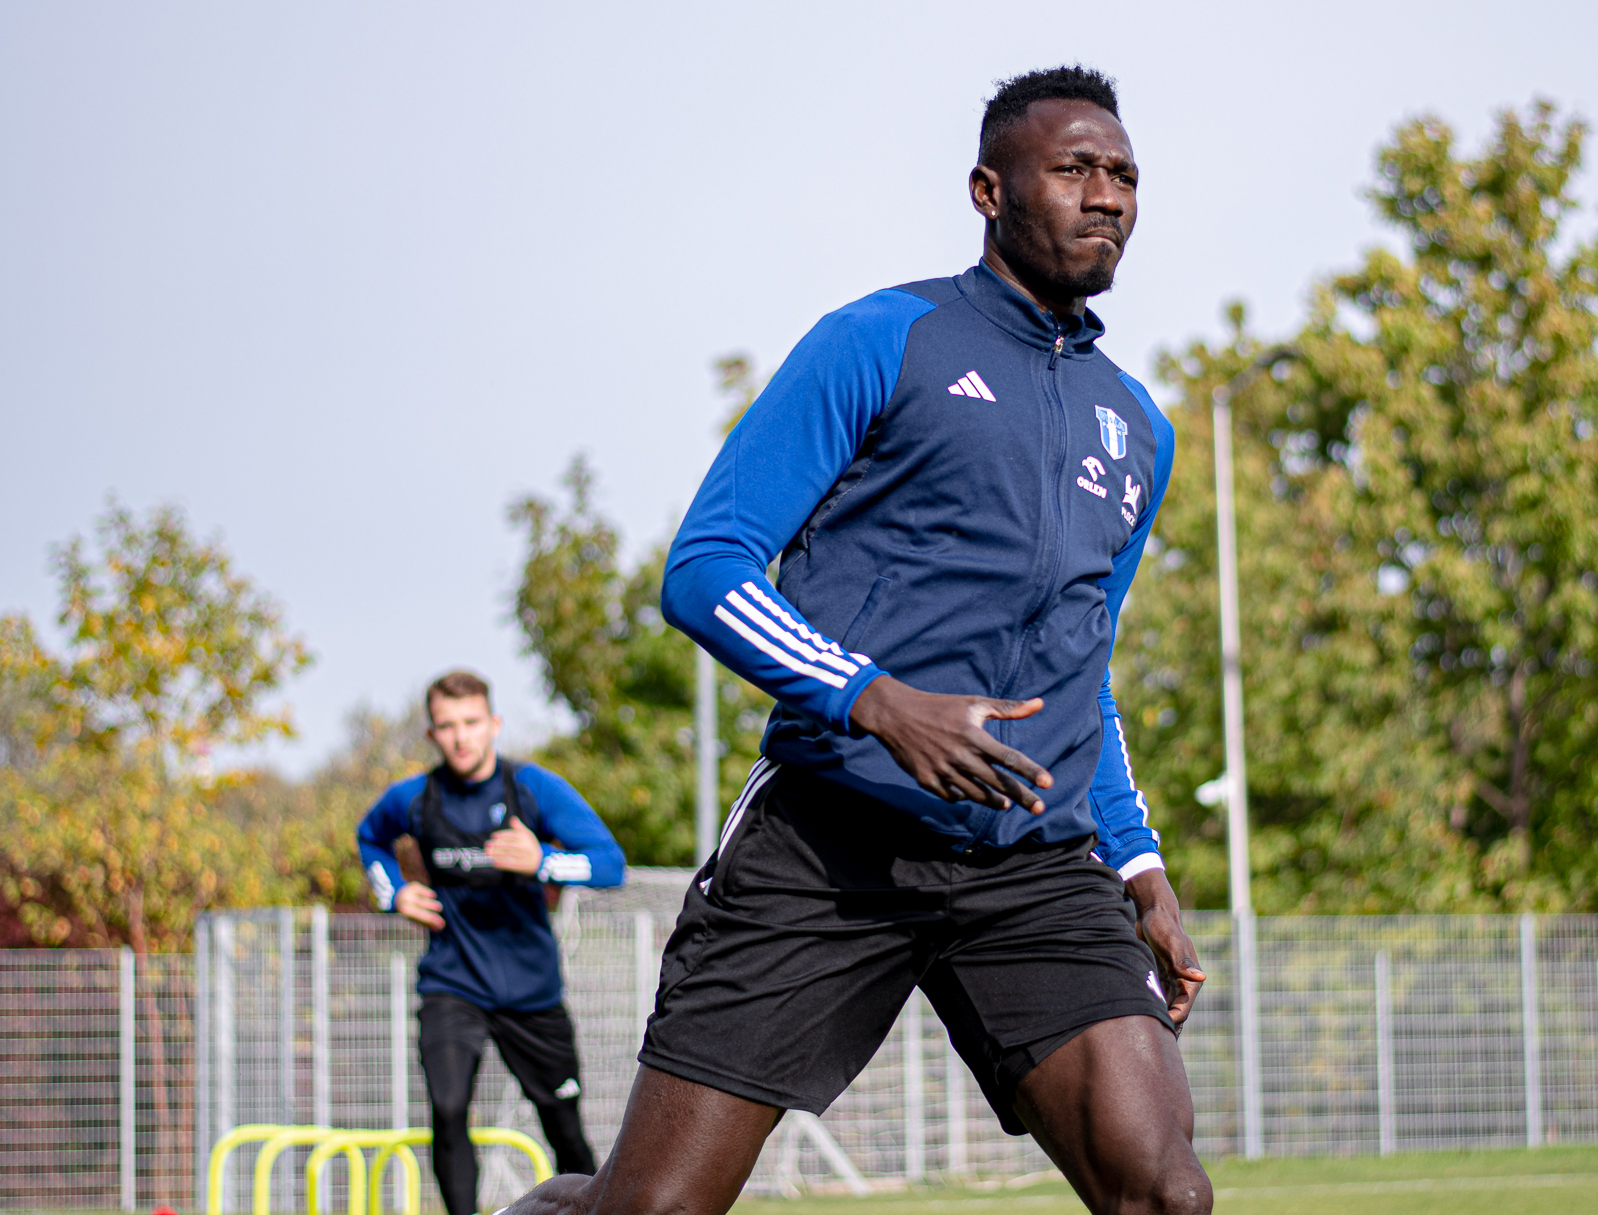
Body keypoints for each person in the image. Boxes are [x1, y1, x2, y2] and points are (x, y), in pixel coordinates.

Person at [510, 64, 1210, 1215]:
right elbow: (706, 566)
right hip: (832, 843)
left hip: (1034, 862)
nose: (1107, 196)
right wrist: (876, 699)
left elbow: (1088, 666)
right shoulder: (880, 340)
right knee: (651, 1209)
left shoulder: (1137, 425)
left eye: (1125, 174)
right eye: (1074, 169)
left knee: (1165, 1191)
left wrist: (1137, 864)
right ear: (989, 190)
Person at [359, 670, 626, 1215]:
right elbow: (371, 838)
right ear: (432, 734)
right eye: (447, 726)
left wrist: (544, 861)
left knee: (565, 1130)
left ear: (494, 724)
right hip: (452, 983)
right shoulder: (414, 798)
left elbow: (610, 864)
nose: (461, 736)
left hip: (532, 992)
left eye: (472, 722)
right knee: (448, 1108)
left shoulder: (532, 789)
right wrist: (395, 893)